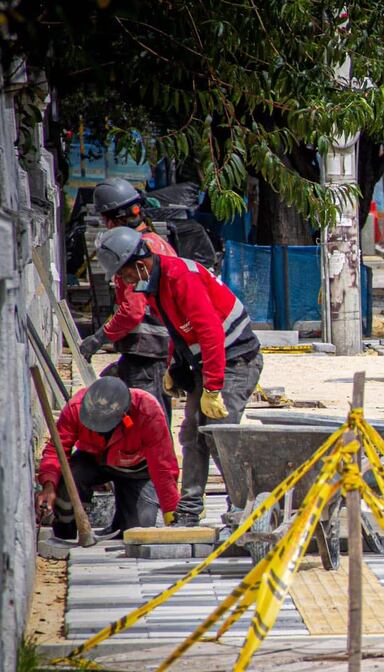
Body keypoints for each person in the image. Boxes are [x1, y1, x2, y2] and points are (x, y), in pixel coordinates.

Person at [96, 226, 262, 526]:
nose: (125, 281)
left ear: (139, 263)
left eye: (125, 274)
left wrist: (213, 388)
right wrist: (174, 365)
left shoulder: (180, 277)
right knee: (193, 433)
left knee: (219, 434)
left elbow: (210, 332)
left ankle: (242, 507)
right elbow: (178, 328)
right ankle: (189, 508)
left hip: (236, 360)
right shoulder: (155, 284)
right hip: (208, 363)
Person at [79, 179, 179, 418]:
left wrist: (98, 338)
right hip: (162, 347)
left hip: (147, 351)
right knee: (156, 413)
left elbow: (133, 310)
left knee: (148, 418)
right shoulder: (157, 242)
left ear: (112, 220)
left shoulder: (132, 253)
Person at [34, 377, 179, 539]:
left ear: (124, 416)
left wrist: (171, 516)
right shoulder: (76, 407)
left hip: (136, 470)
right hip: (94, 461)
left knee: (138, 531)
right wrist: (49, 486)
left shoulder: (147, 410)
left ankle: (123, 522)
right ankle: (65, 535)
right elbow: (56, 450)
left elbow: (163, 467)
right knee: (69, 482)